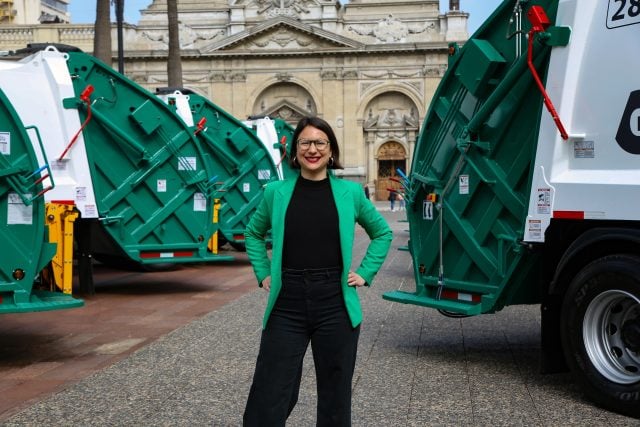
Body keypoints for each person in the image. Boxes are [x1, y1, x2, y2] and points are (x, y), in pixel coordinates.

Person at [243, 116, 393, 426]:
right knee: (270, 390)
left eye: (320, 143)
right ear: (295, 151)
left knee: (335, 393)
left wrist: (365, 272)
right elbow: (253, 233)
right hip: (287, 303)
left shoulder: (349, 194)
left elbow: (382, 232)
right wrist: (263, 272)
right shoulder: (276, 192)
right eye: (306, 143)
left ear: (331, 150)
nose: (313, 149)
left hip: (335, 302)